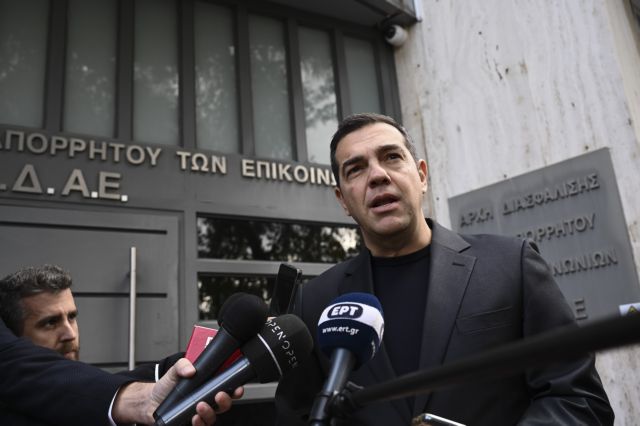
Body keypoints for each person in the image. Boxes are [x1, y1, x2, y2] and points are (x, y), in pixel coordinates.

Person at [274, 113, 614, 425]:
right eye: (356, 169)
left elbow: (579, 399)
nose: (377, 175)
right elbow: (297, 418)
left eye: (391, 157)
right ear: (342, 200)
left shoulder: (512, 264)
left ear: (422, 175)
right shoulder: (314, 302)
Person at [0, 265, 240, 425]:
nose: (69, 334)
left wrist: (204, 362)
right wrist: (139, 401)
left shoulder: (89, 395)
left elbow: (107, 386)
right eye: (50, 323)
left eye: (72, 317)